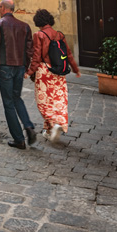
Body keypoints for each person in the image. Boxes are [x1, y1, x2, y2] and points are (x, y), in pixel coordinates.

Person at [0, 0, 37, 149]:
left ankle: (19, 139)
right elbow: (29, 50)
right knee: (16, 97)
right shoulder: (25, 26)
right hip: (20, 66)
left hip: (5, 67)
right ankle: (28, 126)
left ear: (3, 8)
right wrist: (26, 67)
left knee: (8, 103)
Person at [26, 8, 80, 142]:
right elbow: (68, 54)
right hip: (59, 72)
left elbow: (37, 56)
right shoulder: (59, 35)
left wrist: (30, 71)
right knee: (59, 100)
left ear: (38, 21)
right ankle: (51, 129)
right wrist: (75, 69)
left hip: (45, 72)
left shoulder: (39, 35)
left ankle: (55, 123)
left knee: (43, 102)